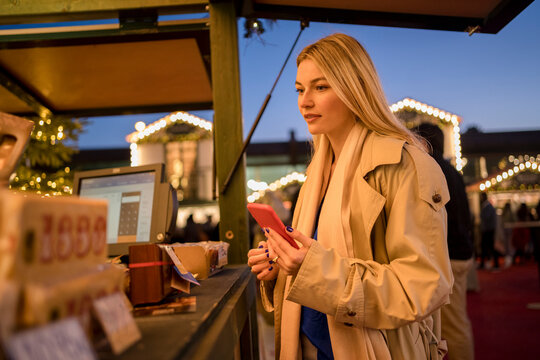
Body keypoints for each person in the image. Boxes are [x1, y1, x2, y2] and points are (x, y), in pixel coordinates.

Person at [247, 33, 453, 360]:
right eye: (300, 90)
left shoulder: (405, 165)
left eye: (321, 87)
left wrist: (312, 270)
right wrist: (281, 266)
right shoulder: (317, 172)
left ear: (355, 88)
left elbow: (422, 287)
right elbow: (312, 265)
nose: (305, 101)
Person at [416, 123, 475, 360]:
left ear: (425, 142)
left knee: (453, 326)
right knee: (454, 323)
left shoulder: (433, 169)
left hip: (449, 256)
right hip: (460, 253)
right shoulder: (451, 170)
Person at [479, 192, 498, 269]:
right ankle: (489, 263)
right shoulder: (488, 206)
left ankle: (493, 263)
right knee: (489, 247)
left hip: (488, 230)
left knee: (488, 247)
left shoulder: (487, 207)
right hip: (488, 230)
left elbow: (486, 218)